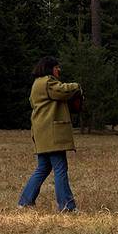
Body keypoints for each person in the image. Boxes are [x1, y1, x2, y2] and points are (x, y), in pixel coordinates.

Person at [18, 56, 82, 212]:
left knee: (43, 168)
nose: (59, 69)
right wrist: (77, 86)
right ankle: (67, 206)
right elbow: (62, 91)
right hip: (51, 134)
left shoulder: (36, 83)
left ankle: (25, 201)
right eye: (57, 67)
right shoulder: (48, 82)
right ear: (49, 68)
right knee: (60, 168)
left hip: (41, 133)